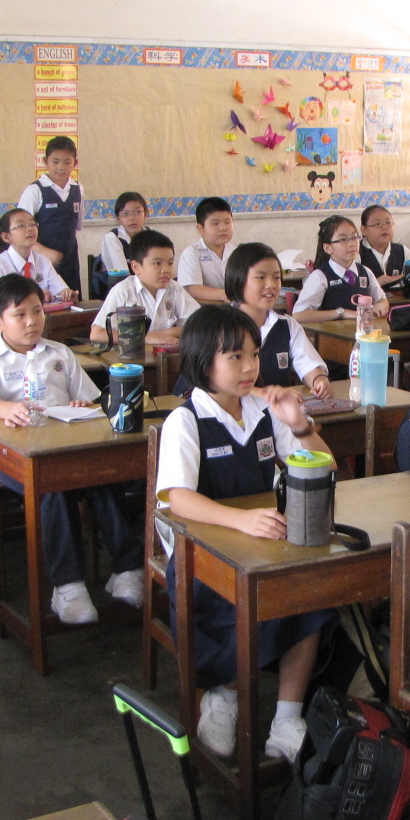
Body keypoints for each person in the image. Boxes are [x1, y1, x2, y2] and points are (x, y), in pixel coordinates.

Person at [155, 305, 333, 761]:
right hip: (203, 553)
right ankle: (224, 694)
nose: (250, 366)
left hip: (262, 545)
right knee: (226, 605)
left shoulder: (263, 410)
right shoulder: (186, 420)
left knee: (309, 594)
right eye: (235, 357)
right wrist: (241, 520)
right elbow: (179, 499)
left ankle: (287, 717)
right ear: (203, 362)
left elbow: (325, 465)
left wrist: (299, 424)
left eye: (254, 354)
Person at [0, 274, 143, 624]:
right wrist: (8, 409)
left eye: (37, 311)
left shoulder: (59, 353)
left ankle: (127, 569)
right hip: (14, 459)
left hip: (68, 448)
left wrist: (82, 405)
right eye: (20, 314)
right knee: (53, 487)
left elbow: (91, 399)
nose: (31, 321)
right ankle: (68, 586)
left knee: (104, 476)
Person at [225, 243, 330, 397]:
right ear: (238, 279)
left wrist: (318, 380)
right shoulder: (220, 327)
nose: (271, 285)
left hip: (278, 409)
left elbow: (307, 363)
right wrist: (266, 394)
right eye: (261, 277)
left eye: (276, 277)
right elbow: (216, 383)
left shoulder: (287, 325)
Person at [89, 229, 197, 345]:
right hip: (130, 355)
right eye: (157, 263)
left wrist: (163, 333)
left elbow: (198, 324)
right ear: (136, 267)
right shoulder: (123, 291)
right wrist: (144, 338)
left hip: (163, 352)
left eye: (170, 263)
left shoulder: (174, 288)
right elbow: (97, 334)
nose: (166, 270)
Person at [16, 134, 84, 295]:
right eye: (55, 161)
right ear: (45, 161)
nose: (61, 167)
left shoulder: (78, 189)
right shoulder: (35, 190)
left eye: (67, 162)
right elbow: (19, 233)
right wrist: (45, 252)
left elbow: (76, 226)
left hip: (70, 261)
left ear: (75, 163)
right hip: (41, 262)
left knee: (71, 300)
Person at [291, 215, 391, 323]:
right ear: (328, 248)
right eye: (343, 239)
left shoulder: (365, 272)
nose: (352, 244)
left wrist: (377, 308)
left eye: (354, 237)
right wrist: (341, 313)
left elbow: (383, 300)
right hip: (331, 333)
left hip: (363, 330)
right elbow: (299, 315)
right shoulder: (320, 276)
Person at [0, 208, 76, 305]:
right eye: (21, 226)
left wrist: (67, 293)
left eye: (32, 224)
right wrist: (36, 295)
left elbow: (59, 288)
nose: (30, 229)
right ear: (6, 237)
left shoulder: (43, 261)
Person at [359, 204, 410, 293]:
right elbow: (348, 287)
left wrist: (397, 278)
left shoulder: (401, 250)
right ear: (364, 230)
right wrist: (376, 283)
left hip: (398, 300)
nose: (384, 227)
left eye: (388, 223)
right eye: (377, 224)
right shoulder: (356, 252)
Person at [177, 197, 236, 306]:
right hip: (204, 310)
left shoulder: (236, 252)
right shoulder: (192, 253)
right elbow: (193, 289)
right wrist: (225, 294)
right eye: (215, 223)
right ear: (200, 228)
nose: (223, 228)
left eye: (227, 222)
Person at [95, 191, 149, 296]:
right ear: (118, 218)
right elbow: (123, 277)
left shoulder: (151, 236)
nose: (132, 218)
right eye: (125, 214)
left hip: (148, 288)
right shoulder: (113, 238)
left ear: (145, 214)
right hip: (121, 292)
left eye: (137, 212)